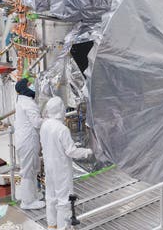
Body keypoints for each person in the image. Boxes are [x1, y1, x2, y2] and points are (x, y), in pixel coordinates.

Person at [40, 97, 92, 230]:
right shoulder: (62, 129)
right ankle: (63, 227)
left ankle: (52, 225)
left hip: (49, 166)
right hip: (61, 169)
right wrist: (86, 151)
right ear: (60, 110)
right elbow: (71, 152)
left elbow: (51, 144)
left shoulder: (45, 125)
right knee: (64, 200)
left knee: (51, 196)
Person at [13, 78, 45, 210]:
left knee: (31, 169)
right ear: (25, 88)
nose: (32, 86)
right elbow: (37, 123)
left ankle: (32, 195)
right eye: (29, 84)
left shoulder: (21, 101)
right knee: (28, 171)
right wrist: (50, 120)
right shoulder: (28, 104)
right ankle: (27, 202)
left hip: (24, 140)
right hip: (28, 141)